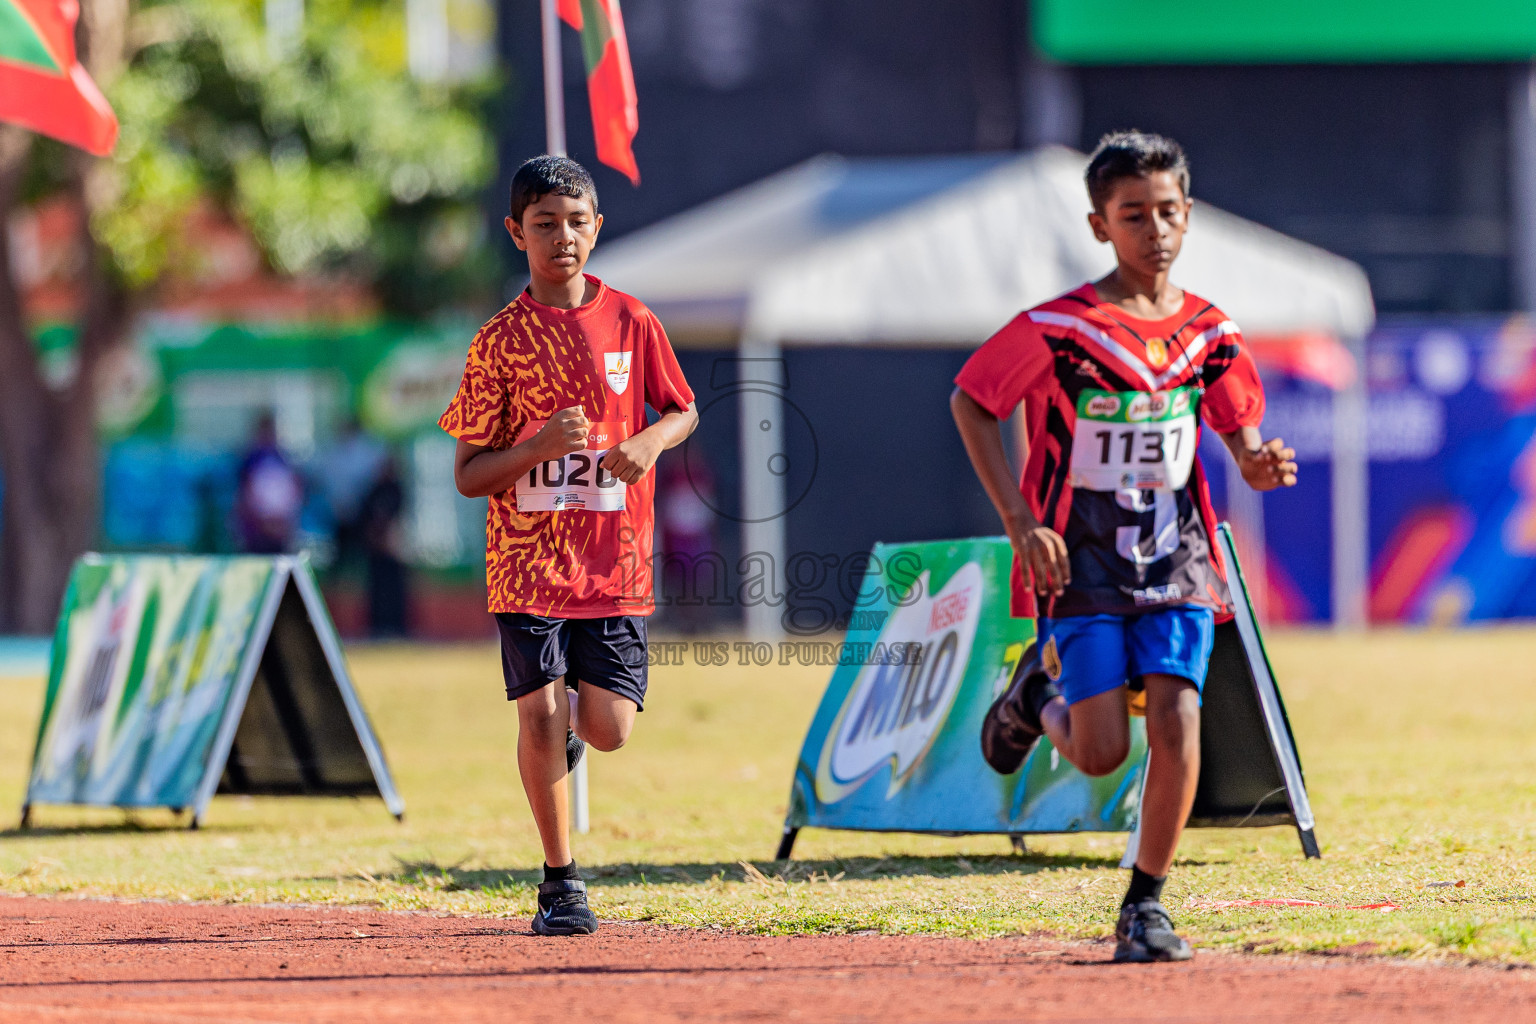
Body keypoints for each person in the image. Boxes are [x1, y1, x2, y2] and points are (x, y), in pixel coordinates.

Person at [950, 131, 1297, 963]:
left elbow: (1236, 421)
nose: (1156, 230)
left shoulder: (1210, 330)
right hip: (1081, 561)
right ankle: (1036, 699)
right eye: (1133, 214)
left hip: (1176, 558)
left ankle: (1145, 904)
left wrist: (1254, 457)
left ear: (1189, 214)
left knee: (1179, 715)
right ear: (1101, 225)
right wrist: (1017, 518)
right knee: (1104, 750)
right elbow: (973, 399)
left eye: (1169, 212)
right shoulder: (1060, 328)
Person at [439, 155, 698, 936]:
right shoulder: (498, 342)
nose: (563, 238)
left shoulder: (633, 321)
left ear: (598, 229)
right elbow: (468, 474)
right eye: (545, 224)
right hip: (526, 563)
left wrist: (651, 442)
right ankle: (561, 882)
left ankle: (557, 755)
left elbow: (682, 409)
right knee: (542, 717)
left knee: (608, 728)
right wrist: (539, 445)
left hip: (612, 560)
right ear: (516, 232)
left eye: (577, 222)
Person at [233, 411, 304, 554]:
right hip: (257, 526)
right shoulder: (250, 459)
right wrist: (261, 520)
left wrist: (282, 521)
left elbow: (295, 489)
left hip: (280, 525)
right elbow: (245, 493)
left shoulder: (283, 458)